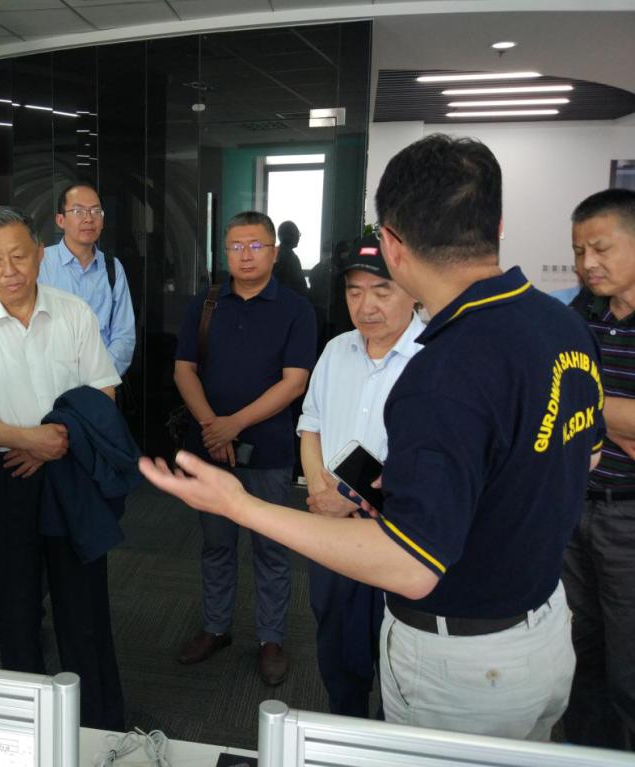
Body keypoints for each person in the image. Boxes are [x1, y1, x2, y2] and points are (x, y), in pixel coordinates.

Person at [141, 134, 604, 741]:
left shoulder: (441, 369)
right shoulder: (561, 324)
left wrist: (239, 505)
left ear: (393, 243)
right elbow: (584, 454)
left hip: (466, 663)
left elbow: (411, 568)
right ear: (495, 226)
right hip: (543, 629)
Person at [0, 205, 126, 730]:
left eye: (19, 255)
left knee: (83, 605)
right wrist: (28, 440)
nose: (10, 269)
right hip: (4, 477)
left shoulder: (74, 313)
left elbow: (102, 391)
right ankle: (30, 727)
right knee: (15, 607)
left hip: (71, 468)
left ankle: (99, 724)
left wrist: (55, 439)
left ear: (40, 253)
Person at [173, 210, 315, 686]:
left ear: (274, 252)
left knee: (270, 547)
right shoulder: (205, 304)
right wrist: (212, 427)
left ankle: (271, 638)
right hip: (210, 449)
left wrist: (233, 424)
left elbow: (294, 383)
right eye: (236, 246)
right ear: (225, 252)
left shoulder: (296, 309)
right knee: (216, 544)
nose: (246, 255)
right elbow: (183, 370)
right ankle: (216, 627)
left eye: (256, 245)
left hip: (269, 450)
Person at [297, 234, 424, 717]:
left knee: (396, 660)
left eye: (381, 290)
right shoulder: (336, 351)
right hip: (333, 531)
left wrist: (349, 499)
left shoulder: (434, 357)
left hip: (398, 538)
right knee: (336, 648)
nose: (366, 306)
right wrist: (319, 488)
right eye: (354, 291)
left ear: (412, 289)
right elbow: (311, 424)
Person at [565, 187, 635, 751]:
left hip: (627, 516)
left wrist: (583, 402)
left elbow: (566, 394)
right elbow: (548, 387)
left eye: (601, 248)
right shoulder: (580, 314)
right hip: (572, 506)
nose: (588, 263)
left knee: (628, 658)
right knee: (575, 649)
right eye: (578, 251)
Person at [39, 183, 136, 375]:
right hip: (51, 380)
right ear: (60, 220)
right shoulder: (40, 263)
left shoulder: (113, 267)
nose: (89, 218)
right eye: (78, 211)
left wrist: (101, 377)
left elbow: (124, 335)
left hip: (102, 380)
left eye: (96, 211)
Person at [274, 220, 308, 296]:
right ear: (291, 236)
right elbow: (301, 288)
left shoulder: (273, 254)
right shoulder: (292, 258)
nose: (299, 237)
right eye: (297, 234)